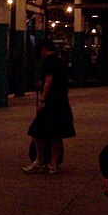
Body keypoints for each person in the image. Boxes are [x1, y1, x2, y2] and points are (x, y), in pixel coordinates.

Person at [23, 38, 75, 174]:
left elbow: (49, 80)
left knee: (36, 131)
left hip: (50, 103)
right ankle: (53, 163)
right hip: (61, 102)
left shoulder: (48, 61)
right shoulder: (60, 61)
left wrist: (42, 99)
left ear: (43, 49)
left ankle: (39, 160)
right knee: (56, 135)